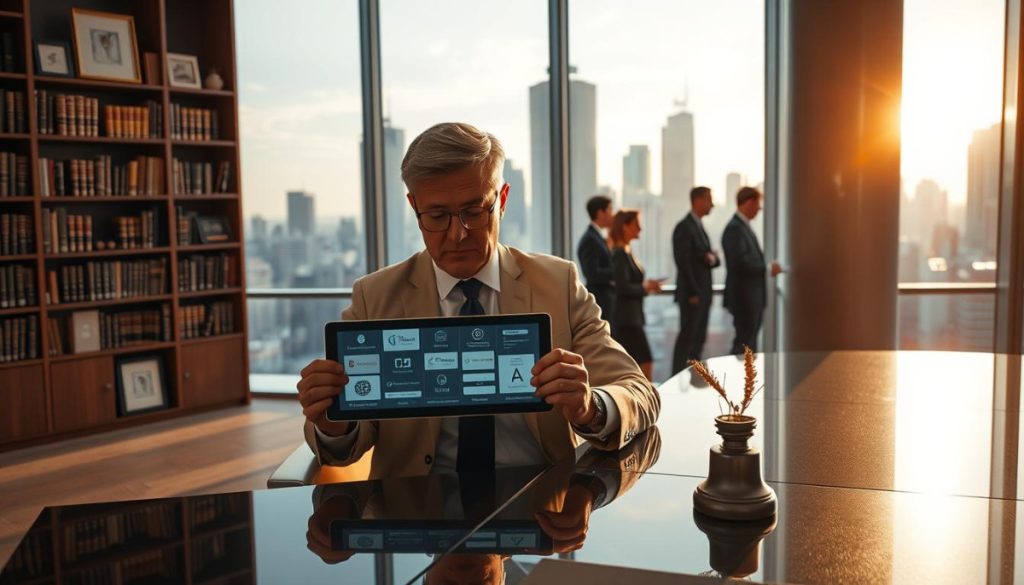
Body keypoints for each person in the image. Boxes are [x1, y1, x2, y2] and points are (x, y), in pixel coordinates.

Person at [297, 122, 660, 478]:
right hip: (415, 514)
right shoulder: (374, 297)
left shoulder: (557, 284)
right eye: (437, 216)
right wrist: (334, 424)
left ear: (501, 200)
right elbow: (344, 449)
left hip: (542, 508)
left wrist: (590, 408)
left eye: (474, 211)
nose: (458, 234)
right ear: (414, 207)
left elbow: (641, 394)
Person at [721, 186, 782, 354]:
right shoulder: (735, 228)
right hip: (744, 298)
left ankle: (745, 380)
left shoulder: (741, 227)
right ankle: (739, 380)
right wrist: (768, 268)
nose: (759, 208)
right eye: (758, 204)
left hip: (750, 298)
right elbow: (740, 263)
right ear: (748, 203)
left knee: (748, 342)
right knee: (744, 344)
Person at [607, 210, 663, 381]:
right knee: (643, 363)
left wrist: (646, 287)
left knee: (638, 364)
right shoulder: (619, 254)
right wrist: (645, 287)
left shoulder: (626, 251)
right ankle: (645, 402)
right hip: (627, 320)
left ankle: (642, 401)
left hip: (632, 317)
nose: (640, 229)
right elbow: (622, 287)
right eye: (636, 225)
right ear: (625, 227)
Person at [671, 186, 720, 374]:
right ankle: (677, 382)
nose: (712, 204)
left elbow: (707, 259)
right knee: (688, 341)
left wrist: (711, 258)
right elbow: (682, 262)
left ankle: (692, 381)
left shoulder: (698, 226)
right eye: (709, 199)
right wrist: (692, 292)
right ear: (698, 200)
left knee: (697, 340)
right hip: (694, 296)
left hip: (702, 294)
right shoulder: (685, 227)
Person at [577, 196, 616, 322]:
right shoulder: (591, 239)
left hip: (605, 299)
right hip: (601, 300)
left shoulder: (597, 237)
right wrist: (617, 272)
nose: (613, 214)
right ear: (600, 213)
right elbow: (591, 273)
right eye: (610, 209)